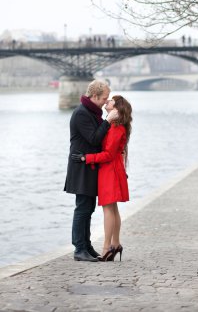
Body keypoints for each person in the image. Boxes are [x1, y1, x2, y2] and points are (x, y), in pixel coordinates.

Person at [72, 95, 132, 262]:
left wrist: (86, 158)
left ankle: (107, 248)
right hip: (111, 170)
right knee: (113, 209)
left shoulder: (115, 128)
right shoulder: (114, 126)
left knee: (108, 209)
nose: (107, 101)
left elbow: (108, 154)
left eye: (111, 100)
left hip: (109, 171)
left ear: (117, 109)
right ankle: (115, 244)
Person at [64, 80, 118, 262]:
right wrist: (108, 121)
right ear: (94, 96)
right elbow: (94, 139)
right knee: (82, 208)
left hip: (89, 166)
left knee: (88, 208)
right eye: (104, 98)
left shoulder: (92, 112)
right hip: (81, 168)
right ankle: (79, 248)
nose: (106, 101)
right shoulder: (81, 113)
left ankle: (86, 246)